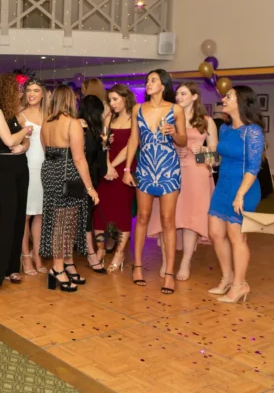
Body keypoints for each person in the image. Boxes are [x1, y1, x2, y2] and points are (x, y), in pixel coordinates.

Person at [123, 69, 187, 295]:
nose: (148, 84)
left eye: (153, 80)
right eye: (147, 80)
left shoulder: (176, 109)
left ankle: (169, 273)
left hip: (169, 169)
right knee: (142, 217)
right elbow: (133, 140)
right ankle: (137, 266)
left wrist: (173, 133)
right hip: (146, 168)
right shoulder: (137, 109)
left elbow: (183, 141)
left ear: (163, 85)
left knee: (168, 220)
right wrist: (127, 168)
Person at [148, 82, 217, 281]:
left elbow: (215, 154)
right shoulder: (168, 119)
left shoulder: (206, 121)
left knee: (190, 218)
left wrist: (202, 152)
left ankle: (185, 262)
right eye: (177, 93)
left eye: (183, 93)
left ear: (195, 97)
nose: (178, 96)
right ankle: (165, 261)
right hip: (169, 171)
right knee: (166, 217)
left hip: (196, 174)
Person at [207, 86, 265, 303]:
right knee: (215, 232)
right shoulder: (225, 129)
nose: (223, 99)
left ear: (241, 101)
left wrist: (240, 195)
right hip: (223, 186)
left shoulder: (253, 131)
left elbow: (253, 166)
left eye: (228, 96)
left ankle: (240, 285)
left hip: (244, 189)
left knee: (236, 236)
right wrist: (207, 157)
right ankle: (228, 277)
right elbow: (221, 159)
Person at [40, 85, 99, 293]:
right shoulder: (72, 123)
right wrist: (90, 187)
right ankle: (57, 269)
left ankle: (64, 265)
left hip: (49, 173)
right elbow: (79, 158)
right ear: (69, 100)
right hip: (68, 176)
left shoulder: (46, 122)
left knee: (59, 221)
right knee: (64, 224)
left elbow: (46, 150)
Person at [0, 73, 31, 296]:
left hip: (20, 166)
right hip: (4, 168)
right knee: (7, 219)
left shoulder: (14, 113)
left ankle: (12, 267)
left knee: (19, 217)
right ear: (6, 90)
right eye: (17, 89)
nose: (20, 93)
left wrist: (25, 144)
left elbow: (22, 142)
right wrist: (26, 133)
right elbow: (10, 140)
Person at [93, 84, 136, 273]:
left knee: (122, 212)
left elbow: (130, 147)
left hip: (124, 168)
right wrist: (107, 163)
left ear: (125, 98)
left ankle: (119, 252)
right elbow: (102, 142)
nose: (112, 103)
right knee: (100, 209)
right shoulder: (108, 118)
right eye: (110, 100)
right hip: (107, 167)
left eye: (115, 99)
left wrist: (113, 165)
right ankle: (100, 249)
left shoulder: (134, 119)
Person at [19, 78, 47, 275]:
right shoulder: (20, 116)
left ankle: (38, 254)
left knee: (39, 214)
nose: (31, 94)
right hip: (26, 167)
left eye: (36, 90)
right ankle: (25, 256)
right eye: (29, 90)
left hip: (45, 168)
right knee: (25, 214)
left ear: (43, 94)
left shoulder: (49, 115)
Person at [79, 95, 108, 274]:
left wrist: (104, 145)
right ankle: (90, 253)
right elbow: (86, 154)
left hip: (91, 177)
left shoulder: (93, 129)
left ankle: (89, 252)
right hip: (84, 177)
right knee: (85, 217)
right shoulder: (83, 126)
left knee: (86, 216)